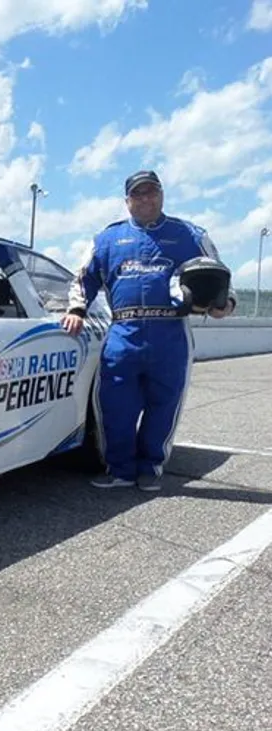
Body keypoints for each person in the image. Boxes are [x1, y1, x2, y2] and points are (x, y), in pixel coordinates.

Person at [61, 169, 236, 491]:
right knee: (115, 406)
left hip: (171, 333)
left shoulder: (191, 234)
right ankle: (120, 470)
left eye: (151, 191)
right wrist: (76, 309)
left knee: (164, 404)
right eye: (138, 194)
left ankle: (151, 467)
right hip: (122, 333)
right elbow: (83, 278)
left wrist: (224, 303)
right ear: (127, 201)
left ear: (162, 194)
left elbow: (219, 275)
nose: (145, 198)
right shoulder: (107, 239)